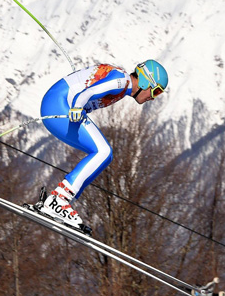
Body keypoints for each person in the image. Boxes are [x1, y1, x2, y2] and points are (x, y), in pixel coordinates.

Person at [37, 60, 168, 229]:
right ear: (145, 81)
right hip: (59, 106)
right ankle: (58, 201)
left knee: (102, 154)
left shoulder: (122, 85)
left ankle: (59, 200)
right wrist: (77, 107)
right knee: (103, 151)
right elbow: (89, 92)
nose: (153, 97)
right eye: (156, 91)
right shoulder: (122, 80)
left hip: (56, 106)